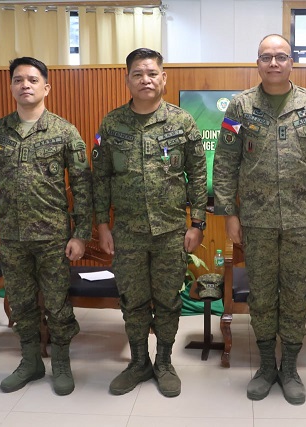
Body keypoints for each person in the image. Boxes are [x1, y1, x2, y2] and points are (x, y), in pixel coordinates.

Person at [212, 34, 306, 405]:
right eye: (266, 57)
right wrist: (229, 213)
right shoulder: (239, 107)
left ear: (291, 62)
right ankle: (267, 365)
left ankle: (290, 368)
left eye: (280, 57)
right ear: (257, 63)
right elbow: (225, 161)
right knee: (263, 294)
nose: (273, 63)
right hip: (256, 219)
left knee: (295, 294)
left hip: (302, 218)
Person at [92, 48, 207, 398]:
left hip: (171, 231)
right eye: (138, 74)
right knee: (133, 300)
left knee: (169, 300)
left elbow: (198, 174)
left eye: (152, 73)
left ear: (163, 78)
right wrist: (102, 225)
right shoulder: (112, 124)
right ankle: (139, 362)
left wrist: (197, 223)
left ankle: (164, 362)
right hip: (127, 233)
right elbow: (100, 177)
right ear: (127, 80)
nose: (146, 80)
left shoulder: (182, 122)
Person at [0, 57, 92, 396]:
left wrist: (81, 234)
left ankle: (61, 362)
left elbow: (83, 185)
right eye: (18, 79)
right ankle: (30, 361)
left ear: (46, 87)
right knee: (21, 302)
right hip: (11, 237)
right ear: (11, 87)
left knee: (57, 303)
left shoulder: (65, 131)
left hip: (53, 236)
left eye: (32, 79)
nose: (25, 85)